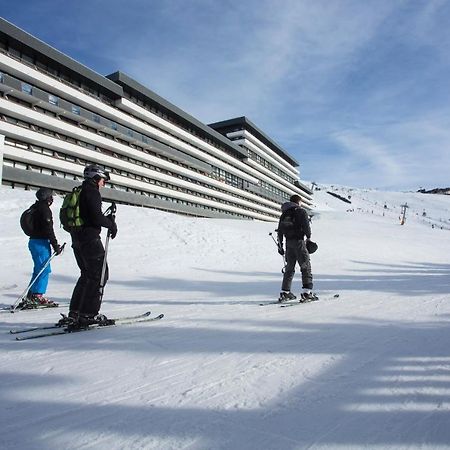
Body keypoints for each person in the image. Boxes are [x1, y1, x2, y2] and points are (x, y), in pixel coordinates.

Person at [65, 164, 117, 328]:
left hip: (77, 238)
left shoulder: (79, 191)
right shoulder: (92, 192)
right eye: (103, 180)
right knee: (99, 275)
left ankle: (75, 312)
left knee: (86, 275)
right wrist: (111, 224)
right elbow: (96, 217)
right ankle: (88, 314)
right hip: (90, 239)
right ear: (96, 179)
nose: (103, 184)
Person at [23, 188, 62, 308]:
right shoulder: (44, 210)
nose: (52, 199)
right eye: (51, 196)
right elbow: (48, 229)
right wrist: (55, 244)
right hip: (41, 242)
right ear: (47, 198)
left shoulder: (35, 207)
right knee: (44, 269)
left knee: (38, 269)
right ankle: (37, 295)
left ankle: (31, 294)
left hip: (34, 241)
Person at [277, 194, 314, 302]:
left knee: (289, 268)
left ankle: (285, 292)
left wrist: (280, 246)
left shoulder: (284, 214)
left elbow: (280, 231)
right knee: (305, 266)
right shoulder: (300, 211)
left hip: (288, 244)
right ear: (298, 202)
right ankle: (307, 293)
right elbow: (306, 226)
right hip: (299, 242)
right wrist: (308, 237)